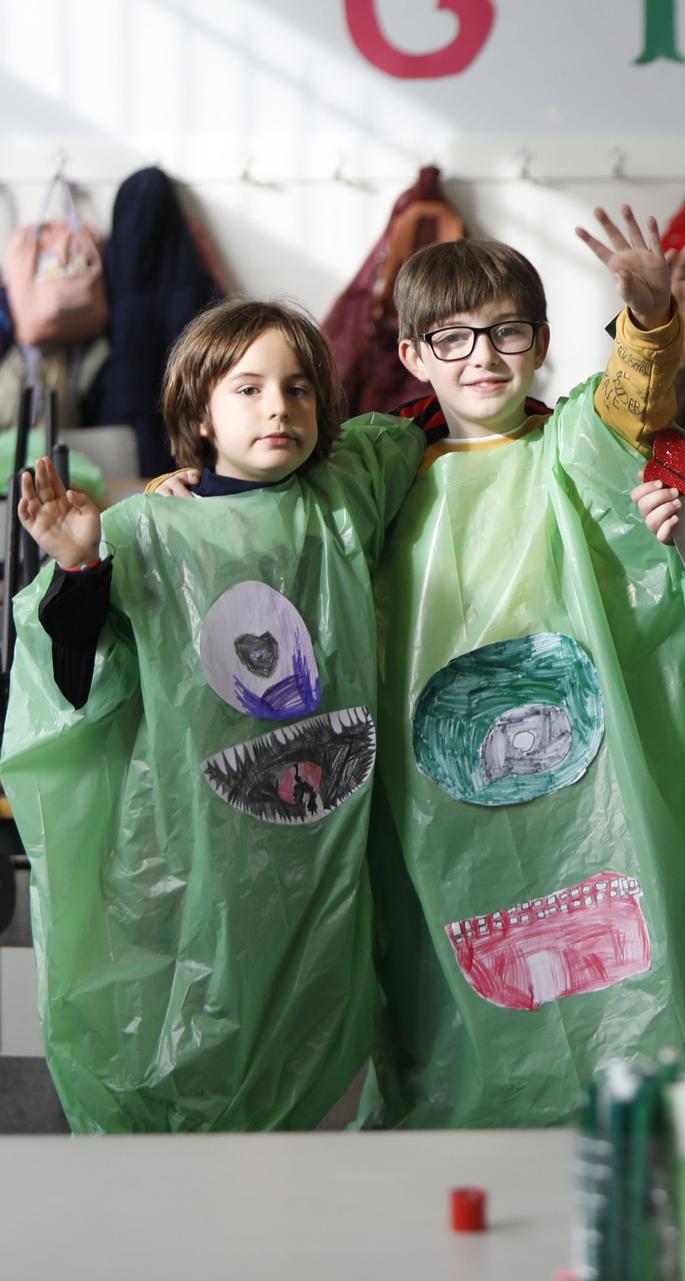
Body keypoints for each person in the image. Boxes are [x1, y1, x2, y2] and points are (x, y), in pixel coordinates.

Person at [1, 298, 425, 1131]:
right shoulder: (145, 529)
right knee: (194, 1022)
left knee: (296, 1057)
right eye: (250, 388)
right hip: (185, 850)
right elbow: (72, 680)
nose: (280, 408)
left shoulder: (343, 496)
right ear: (198, 411)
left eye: (301, 390)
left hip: (315, 854)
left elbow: (434, 408)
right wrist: (81, 567)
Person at [363, 215, 685, 1128]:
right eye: (453, 337)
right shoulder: (384, 467)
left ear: (540, 341)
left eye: (507, 331)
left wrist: (650, 318)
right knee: (453, 970)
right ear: (415, 354)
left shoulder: (569, 446)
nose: (482, 356)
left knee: (612, 962)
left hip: (594, 796)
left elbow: (626, 409)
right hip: (439, 802)